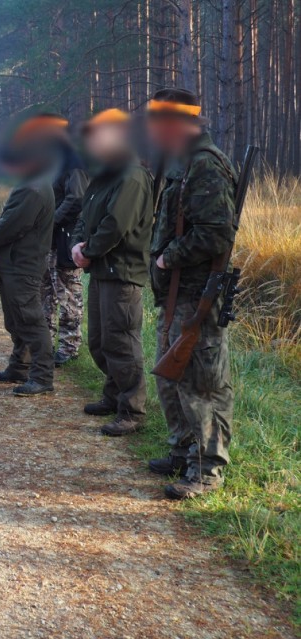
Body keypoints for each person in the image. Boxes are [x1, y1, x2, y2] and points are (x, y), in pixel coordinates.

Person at [145, 88, 237, 500]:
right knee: (172, 374)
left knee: (201, 382)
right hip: (178, 293)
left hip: (198, 292)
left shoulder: (205, 165)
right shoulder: (184, 163)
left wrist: (168, 258)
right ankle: (184, 451)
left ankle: (206, 469)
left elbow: (217, 233)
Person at [71, 109, 153, 435]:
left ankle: (132, 410)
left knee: (122, 341)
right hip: (102, 269)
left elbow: (116, 225)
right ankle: (114, 394)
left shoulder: (132, 176)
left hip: (123, 270)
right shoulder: (104, 176)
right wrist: (78, 245)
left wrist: (88, 250)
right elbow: (84, 215)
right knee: (100, 340)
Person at [0, 119, 56, 396]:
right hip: (15, 263)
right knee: (17, 320)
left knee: (31, 320)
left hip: (23, 265)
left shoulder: (33, 186)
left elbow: (12, 225)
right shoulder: (31, 182)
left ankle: (43, 376)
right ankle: (19, 368)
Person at [38, 114, 89, 367]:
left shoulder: (74, 161)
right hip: (49, 241)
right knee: (45, 294)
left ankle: (69, 348)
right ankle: (44, 345)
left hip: (66, 240)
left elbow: (76, 198)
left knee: (68, 296)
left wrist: (51, 220)